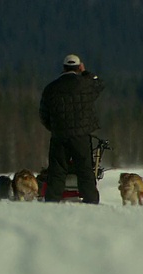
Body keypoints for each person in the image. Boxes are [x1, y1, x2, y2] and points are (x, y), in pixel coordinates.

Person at [39, 54, 105, 204]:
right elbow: (99, 84)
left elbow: (43, 114)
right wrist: (86, 73)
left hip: (59, 136)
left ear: (63, 68)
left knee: (57, 173)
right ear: (79, 67)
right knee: (85, 172)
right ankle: (91, 203)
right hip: (81, 137)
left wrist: (54, 128)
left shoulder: (51, 88)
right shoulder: (86, 84)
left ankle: (51, 204)